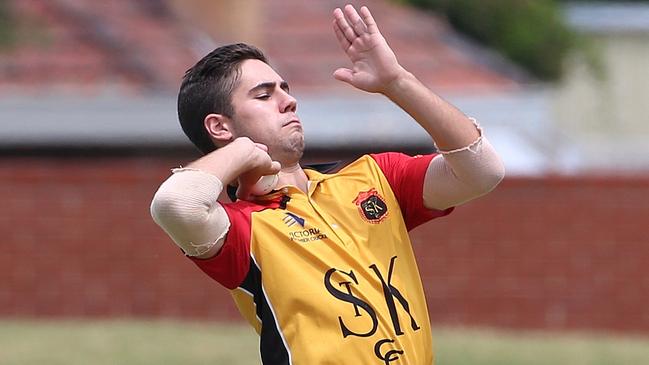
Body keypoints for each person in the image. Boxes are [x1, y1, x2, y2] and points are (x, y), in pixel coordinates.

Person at [151, 4, 504, 364]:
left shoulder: (374, 178)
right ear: (219, 127)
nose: (289, 101)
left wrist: (397, 82)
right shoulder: (241, 227)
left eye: (284, 89)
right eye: (264, 94)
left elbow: (481, 170)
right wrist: (245, 151)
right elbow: (175, 204)